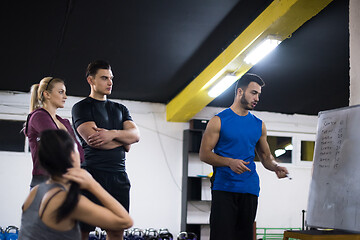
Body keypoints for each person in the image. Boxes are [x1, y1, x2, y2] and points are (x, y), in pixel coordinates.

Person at [199, 73, 289, 240]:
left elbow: (266, 156)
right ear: (240, 92)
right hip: (224, 189)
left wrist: (275, 166)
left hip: (250, 189)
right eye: (253, 93)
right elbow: (204, 154)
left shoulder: (258, 125)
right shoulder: (218, 121)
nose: (257, 98)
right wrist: (229, 162)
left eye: (259, 95)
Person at [18, 129, 133, 240]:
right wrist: (93, 185)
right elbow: (125, 222)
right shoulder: (66, 201)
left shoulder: (36, 191)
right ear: (72, 155)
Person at [71, 60, 140, 240]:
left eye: (111, 78)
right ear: (90, 80)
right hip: (91, 175)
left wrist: (111, 134)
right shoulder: (81, 107)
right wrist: (122, 139)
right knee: (82, 231)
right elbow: (95, 141)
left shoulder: (120, 109)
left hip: (119, 177)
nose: (110, 82)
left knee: (117, 230)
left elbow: (135, 136)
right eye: (104, 78)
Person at [24, 77, 84, 188]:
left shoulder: (64, 122)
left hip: (66, 180)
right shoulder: (38, 116)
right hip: (44, 181)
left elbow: (80, 153)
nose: (65, 97)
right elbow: (57, 147)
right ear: (47, 94)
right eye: (61, 92)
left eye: (65, 93)